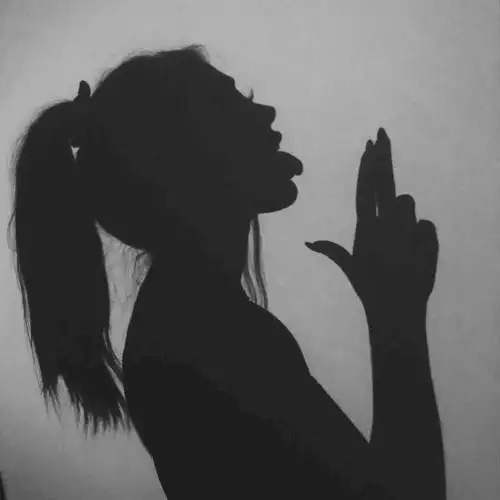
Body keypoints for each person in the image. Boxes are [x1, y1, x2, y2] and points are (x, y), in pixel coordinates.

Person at [6, 44, 446, 499]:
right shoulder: (209, 336)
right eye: (231, 102)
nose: (266, 112)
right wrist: (396, 315)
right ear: (185, 154)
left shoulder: (183, 325)